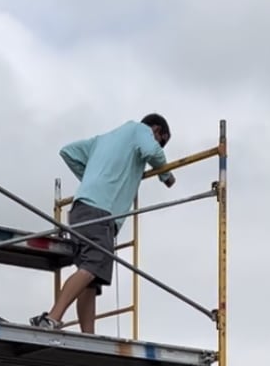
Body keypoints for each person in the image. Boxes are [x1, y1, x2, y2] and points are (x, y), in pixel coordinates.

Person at [30, 114, 177, 334]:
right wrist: (166, 176)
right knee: (91, 266)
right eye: (161, 140)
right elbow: (151, 151)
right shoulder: (139, 130)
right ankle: (52, 318)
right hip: (100, 211)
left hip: (81, 210)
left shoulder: (104, 140)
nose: (159, 145)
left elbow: (68, 152)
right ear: (157, 130)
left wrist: (93, 178)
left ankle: (88, 335)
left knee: (90, 279)